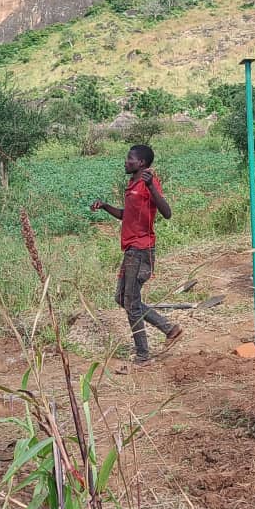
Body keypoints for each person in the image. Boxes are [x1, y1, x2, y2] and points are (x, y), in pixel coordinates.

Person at [91, 145, 182, 364]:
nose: (125, 161)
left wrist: (151, 186)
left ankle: (143, 354)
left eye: (129, 158)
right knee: (121, 298)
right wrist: (104, 206)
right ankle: (169, 328)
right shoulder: (132, 184)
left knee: (131, 302)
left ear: (141, 163)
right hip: (131, 250)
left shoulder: (147, 182)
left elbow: (167, 213)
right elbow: (126, 215)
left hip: (141, 251)